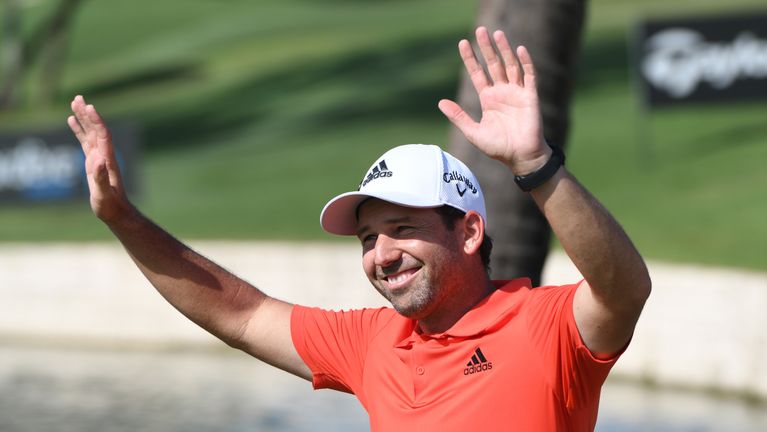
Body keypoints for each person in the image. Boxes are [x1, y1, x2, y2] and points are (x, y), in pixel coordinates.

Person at [67, 27, 650, 431]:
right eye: (369, 238)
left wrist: (534, 165)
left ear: (469, 232)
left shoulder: (542, 327)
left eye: (402, 227)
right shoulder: (374, 343)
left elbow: (623, 290)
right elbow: (240, 315)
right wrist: (123, 219)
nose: (383, 254)